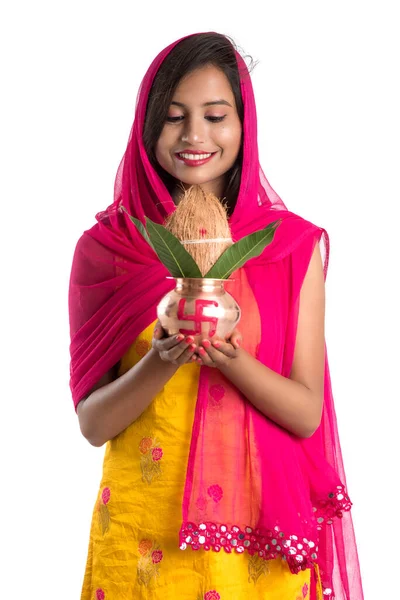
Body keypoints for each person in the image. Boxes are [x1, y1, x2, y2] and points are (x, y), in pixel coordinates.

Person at [68, 32, 364, 600]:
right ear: (147, 125)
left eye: (215, 115)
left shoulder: (288, 248)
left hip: (258, 551)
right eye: (174, 117)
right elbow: (93, 424)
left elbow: (306, 415)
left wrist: (229, 360)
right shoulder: (111, 250)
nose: (195, 136)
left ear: (243, 126)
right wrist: (161, 357)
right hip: (141, 543)